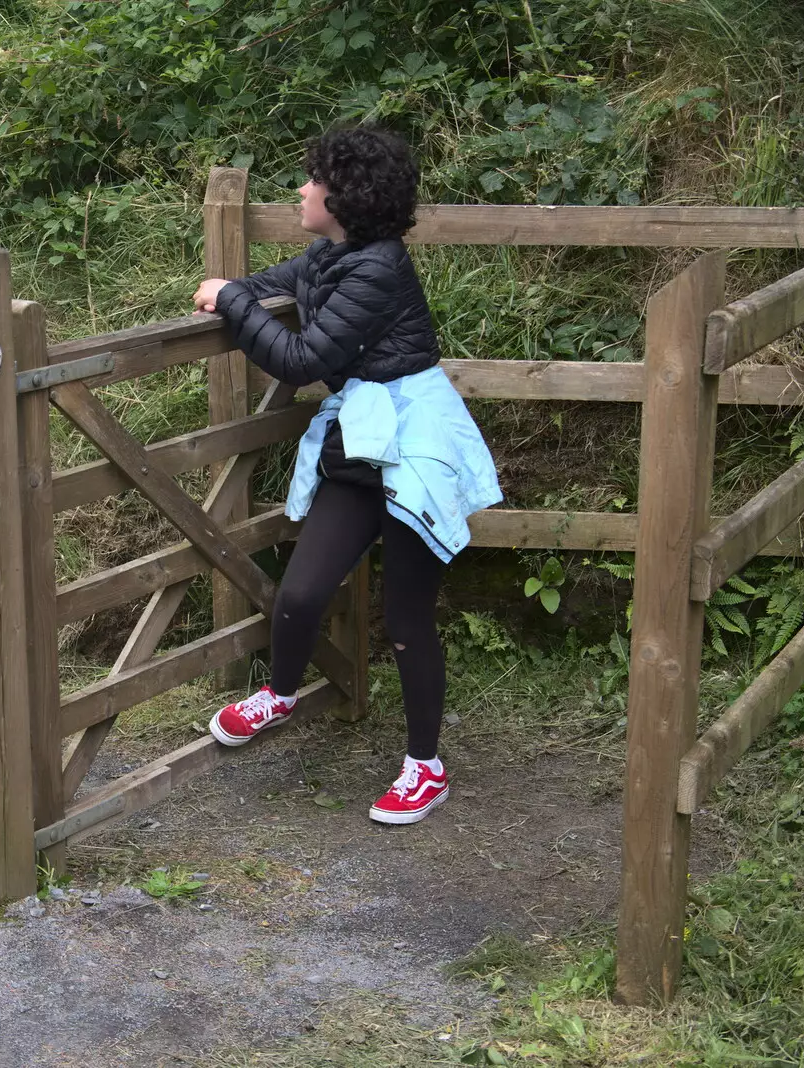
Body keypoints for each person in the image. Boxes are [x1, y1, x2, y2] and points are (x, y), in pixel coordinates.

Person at [191, 126, 502, 826]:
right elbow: (273, 287)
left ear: (345, 195)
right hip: (360, 439)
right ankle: (280, 693)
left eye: (311, 180)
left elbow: (302, 360)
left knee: (405, 617)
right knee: (300, 591)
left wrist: (233, 303)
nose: (301, 189)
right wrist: (234, 292)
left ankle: (427, 767)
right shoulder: (334, 254)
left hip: (414, 443)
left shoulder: (378, 269)